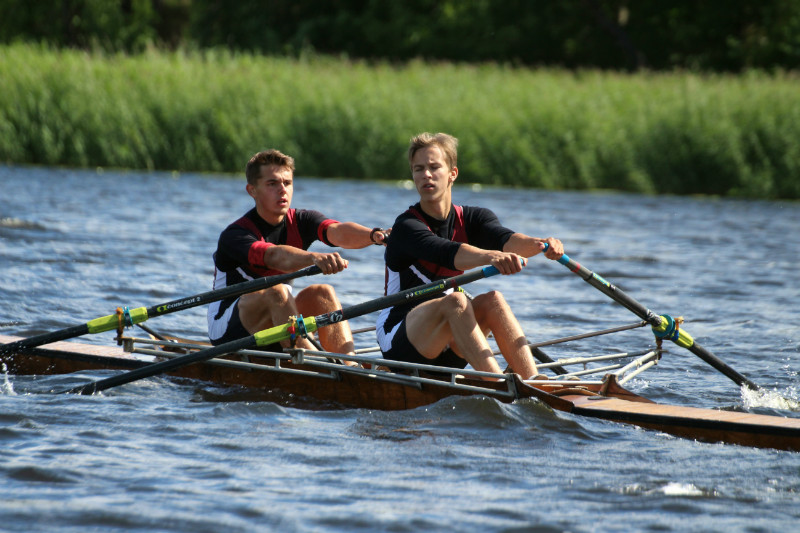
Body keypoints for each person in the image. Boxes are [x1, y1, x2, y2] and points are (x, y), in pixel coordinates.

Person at [376, 132, 564, 380]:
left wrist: (541, 244)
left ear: (452, 173)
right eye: (418, 169)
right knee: (457, 300)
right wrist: (491, 257)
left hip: (450, 334)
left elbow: (507, 240)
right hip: (400, 338)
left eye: (434, 167)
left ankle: (534, 384)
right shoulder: (406, 227)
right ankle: (499, 385)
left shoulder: (474, 218)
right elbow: (447, 252)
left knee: (493, 300)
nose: (426, 175)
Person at [208, 149, 388, 359]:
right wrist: (313, 258)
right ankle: (319, 364)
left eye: (287, 183)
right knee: (276, 291)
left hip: (279, 318)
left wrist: (375, 235)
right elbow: (275, 257)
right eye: (272, 183)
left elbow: (338, 232)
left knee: (323, 292)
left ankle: (349, 365)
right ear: (252, 190)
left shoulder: (303, 220)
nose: (282, 190)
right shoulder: (236, 235)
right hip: (228, 328)